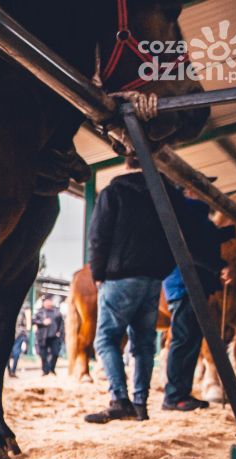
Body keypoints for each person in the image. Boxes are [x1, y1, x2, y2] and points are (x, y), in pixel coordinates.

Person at [83, 161, 181, 424]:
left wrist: (98, 274)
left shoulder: (114, 192)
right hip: (153, 279)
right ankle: (140, 404)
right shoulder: (168, 194)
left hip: (120, 276)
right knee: (144, 344)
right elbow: (178, 237)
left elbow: (98, 236)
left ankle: (119, 400)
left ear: (126, 164)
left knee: (105, 340)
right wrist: (162, 269)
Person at [161, 191, 233, 411]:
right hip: (185, 284)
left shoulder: (196, 215)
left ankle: (181, 393)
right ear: (189, 191)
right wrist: (219, 266)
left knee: (190, 340)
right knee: (184, 339)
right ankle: (174, 396)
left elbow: (205, 239)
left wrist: (227, 233)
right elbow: (196, 247)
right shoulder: (190, 213)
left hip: (189, 284)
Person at [33, 295, 64, 376]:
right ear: (44, 303)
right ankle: (45, 370)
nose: (48, 303)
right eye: (46, 301)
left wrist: (59, 332)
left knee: (55, 353)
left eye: (49, 301)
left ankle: (52, 368)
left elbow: (61, 324)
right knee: (43, 355)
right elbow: (34, 320)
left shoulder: (57, 312)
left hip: (54, 337)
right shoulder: (40, 312)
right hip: (42, 337)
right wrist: (43, 322)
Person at [8, 306, 30, 377]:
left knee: (13, 353)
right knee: (15, 353)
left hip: (16, 334)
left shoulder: (21, 310)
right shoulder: (21, 310)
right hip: (17, 334)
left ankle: (11, 370)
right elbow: (24, 324)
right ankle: (11, 370)